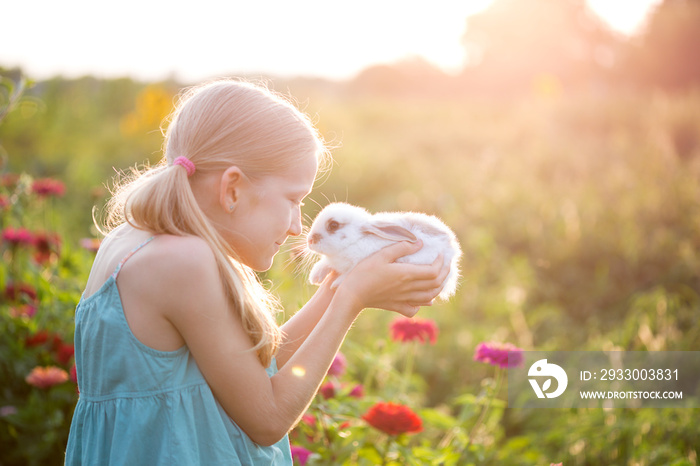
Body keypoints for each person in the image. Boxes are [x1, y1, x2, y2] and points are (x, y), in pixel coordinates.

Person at [64, 79, 448, 465]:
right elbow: (267, 418)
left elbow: (255, 366)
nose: (298, 226)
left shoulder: (139, 239)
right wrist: (351, 300)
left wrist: (340, 283)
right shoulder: (182, 261)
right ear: (232, 188)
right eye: (293, 199)